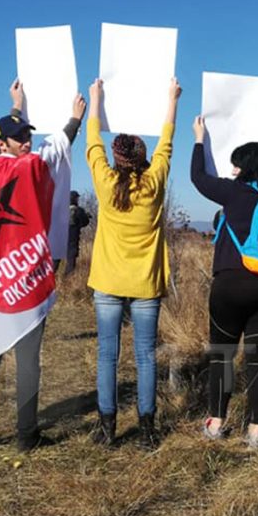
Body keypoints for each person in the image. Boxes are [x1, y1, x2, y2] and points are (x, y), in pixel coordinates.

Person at [0, 80, 84, 453]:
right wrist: (74, 120)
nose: (25, 142)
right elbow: (57, 147)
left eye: (26, 135)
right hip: (25, 276)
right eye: (18, 138)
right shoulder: (31, 168)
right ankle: (24, 435)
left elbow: (28, 143)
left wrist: (17, 106)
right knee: (25, 359)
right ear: (2, 143)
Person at [191, 117, 258, 449]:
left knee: (223, 354)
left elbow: (198, 177)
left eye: (236, 165)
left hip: (233, 284)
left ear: (244, 168)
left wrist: (199, 140)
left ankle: (216, 421)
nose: (233, 170)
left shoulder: (235, 192)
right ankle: (255, 430)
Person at [85, 77, 179, 449]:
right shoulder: (154, 184)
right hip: (145, 285)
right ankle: (147, 429)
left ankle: (107, 427)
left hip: (108, 283)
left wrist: (96, 99)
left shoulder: (105, 183)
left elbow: (93, 142)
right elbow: (166, 145)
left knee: (107, 355)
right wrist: (171, 99)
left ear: (115, 158)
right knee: (145, 357)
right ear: (143, 157)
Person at [66, 191, 91, 274]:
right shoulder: (79, 210)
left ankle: (52, 277)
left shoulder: (62, 209)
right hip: (73, 238)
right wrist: (86, 216)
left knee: (55, 260)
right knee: (71, 259)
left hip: (60, 238)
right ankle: (67, 279)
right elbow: (85, 222)